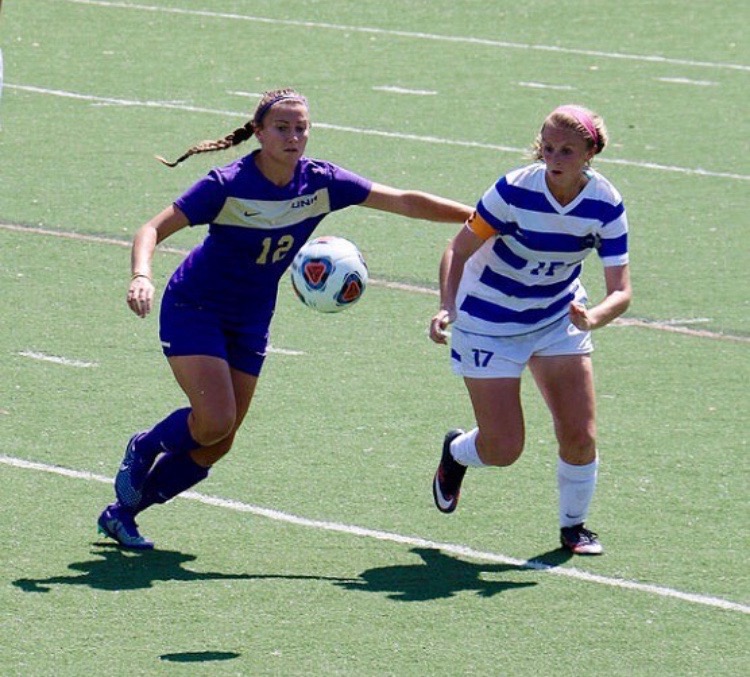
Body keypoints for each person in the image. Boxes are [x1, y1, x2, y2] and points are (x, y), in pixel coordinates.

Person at [97, 87, 473, 549]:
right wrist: (141, 275)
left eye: (301, 128)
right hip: (194, 306)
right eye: (282, 127)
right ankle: (146, 445)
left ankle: (123, 513)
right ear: (258, 132)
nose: (294, 136)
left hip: (251, 317)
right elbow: (151, 229)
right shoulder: (226, 184)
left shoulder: (321, 183)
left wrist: (478, 218)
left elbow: (404, 201)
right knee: (215, 418)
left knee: (220, 440)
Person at [429, 105, 631, 555]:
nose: (554, 158)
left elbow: (622, 291)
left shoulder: (605, 203)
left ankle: (573, 527)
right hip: (487, 322)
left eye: (567, 151)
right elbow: (458, 249)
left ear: (590, 154)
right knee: (503, 449)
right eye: (548, 147)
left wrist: (593, 317)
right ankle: (458, 452)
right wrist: (446, 306)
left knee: (580, 435)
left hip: (557, 318)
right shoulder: (513, 190)